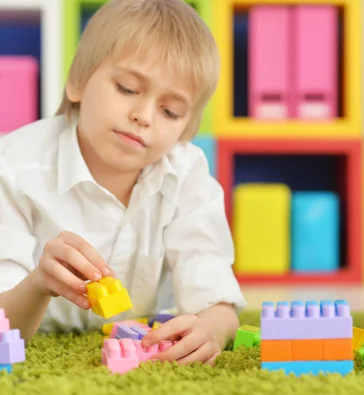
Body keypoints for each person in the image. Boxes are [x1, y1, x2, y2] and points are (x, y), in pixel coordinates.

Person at [0, 0, 246, 365]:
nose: (143, 116)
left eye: (170, 111)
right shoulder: (14, 167)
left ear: (185, 129)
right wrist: (39, 283)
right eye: (128, 89)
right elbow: (6, 326)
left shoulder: (185, 170)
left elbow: (217, 298)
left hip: (141, 335)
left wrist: (212, 327)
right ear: (78, 82)